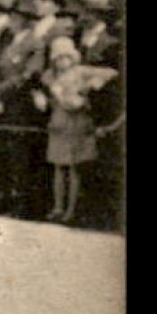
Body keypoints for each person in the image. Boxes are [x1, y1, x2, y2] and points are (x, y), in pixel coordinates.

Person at [42, 36, 119, 225]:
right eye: (58, 59)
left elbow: (111, 73)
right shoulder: (52, 77)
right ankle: (58, 207)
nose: (61, 62)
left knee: (75, 166)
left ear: (72, 57)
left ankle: (71, 210)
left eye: (65, 57)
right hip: (60, 121)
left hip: (78, 122)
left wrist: (91, 86)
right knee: (59, 166)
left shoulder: (81, 71)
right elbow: (60, 99)